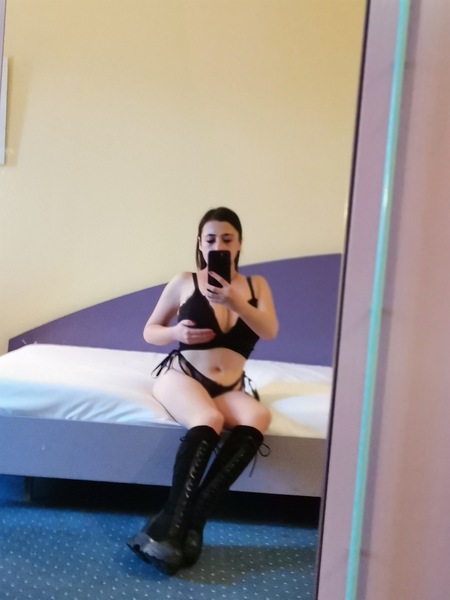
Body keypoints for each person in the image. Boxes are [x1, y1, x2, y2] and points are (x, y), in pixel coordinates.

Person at [127, 206, 278, 574]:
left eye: (227, 239)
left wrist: (235, 302)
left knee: (259, 416)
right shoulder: (184, 281)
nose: (218, 246)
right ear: (200, 242)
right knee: (208, 418)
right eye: (210, 239)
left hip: (230, 386)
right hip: (183, 375)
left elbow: (270, 330)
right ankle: (178, 525)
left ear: (239, 244)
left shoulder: (256, 286)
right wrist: (175, 333)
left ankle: (189, 521)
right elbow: (150, 330)